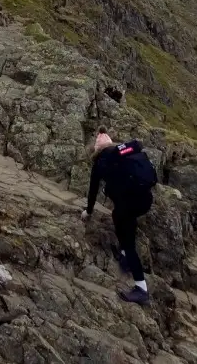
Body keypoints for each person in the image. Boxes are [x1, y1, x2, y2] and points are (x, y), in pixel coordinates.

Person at [82, 129, 158, 305]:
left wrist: (89, 212)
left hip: (129, 202)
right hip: (145, 199)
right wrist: (122, 148)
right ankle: (124, 253)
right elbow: (138, 144)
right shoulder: (121, 153)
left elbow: (93, 191)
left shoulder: (101, 161)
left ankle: (141, 289)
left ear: (96, 151)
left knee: (129, 241)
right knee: (119, 216)